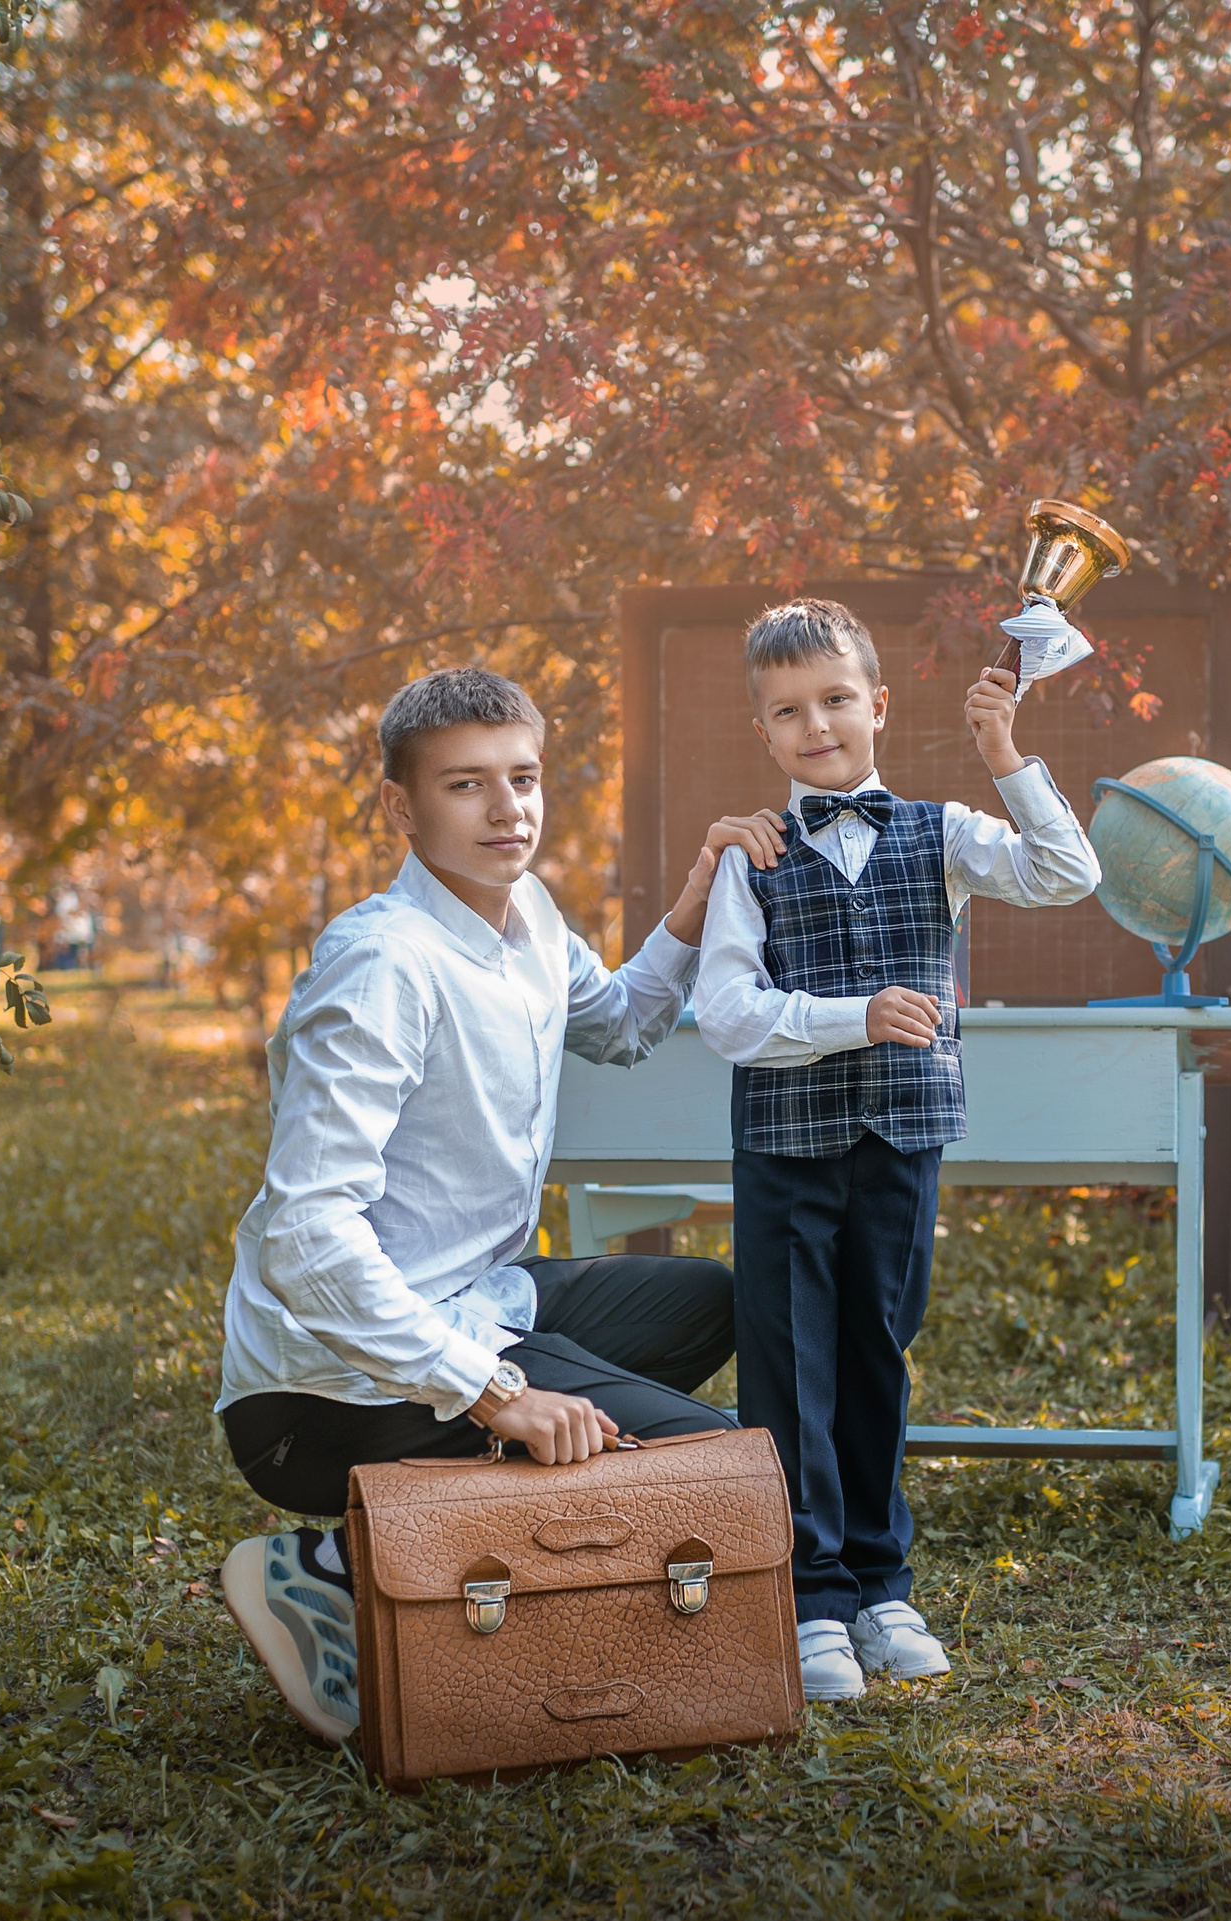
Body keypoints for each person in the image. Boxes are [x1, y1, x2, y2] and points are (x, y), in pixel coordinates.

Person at [215, 666, 788, 1747]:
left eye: (522, 778)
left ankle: (412, 1520)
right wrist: (493, 1394)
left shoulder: (527, 916)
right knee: (708, 1467)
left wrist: (699, 892)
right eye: (466, 784)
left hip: (475, 1299)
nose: (507, 809)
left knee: (712, 1304)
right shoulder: (383, 965)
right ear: (402, 806)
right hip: (325, 1394)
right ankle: (337, 1559)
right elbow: (304, 1237)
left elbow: (619, 1021)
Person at [693, 600, 1101, 1702]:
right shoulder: (751, 856)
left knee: (877, 1351)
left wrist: (1005, 754)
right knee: (789, 1368)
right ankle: (811, 1597)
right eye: (789, 711)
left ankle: (881, 1585)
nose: (817, 725)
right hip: (785, 1150)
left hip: (902, 1139)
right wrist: (854, 1016)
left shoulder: (946, 831)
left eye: (835, 699)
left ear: (876, 705)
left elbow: (1067, 873)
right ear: (763, 731)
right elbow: (727, 1014)